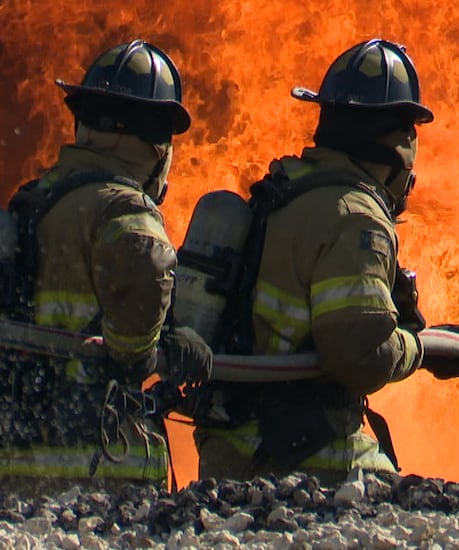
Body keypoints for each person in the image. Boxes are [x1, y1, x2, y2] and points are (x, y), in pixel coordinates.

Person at [189, 39, 435, 484]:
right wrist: (418, 346)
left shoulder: (287, 189)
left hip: (231, 444)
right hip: (302, 459)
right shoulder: (357, 219)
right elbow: (360, 357)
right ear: (402, 143)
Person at [0, 40, 211, 494]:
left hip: (19, 460)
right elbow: (146, 269)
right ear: (155, 144)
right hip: (100, 468)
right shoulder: (122, 209)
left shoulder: (35, 201)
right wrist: (155, 352)